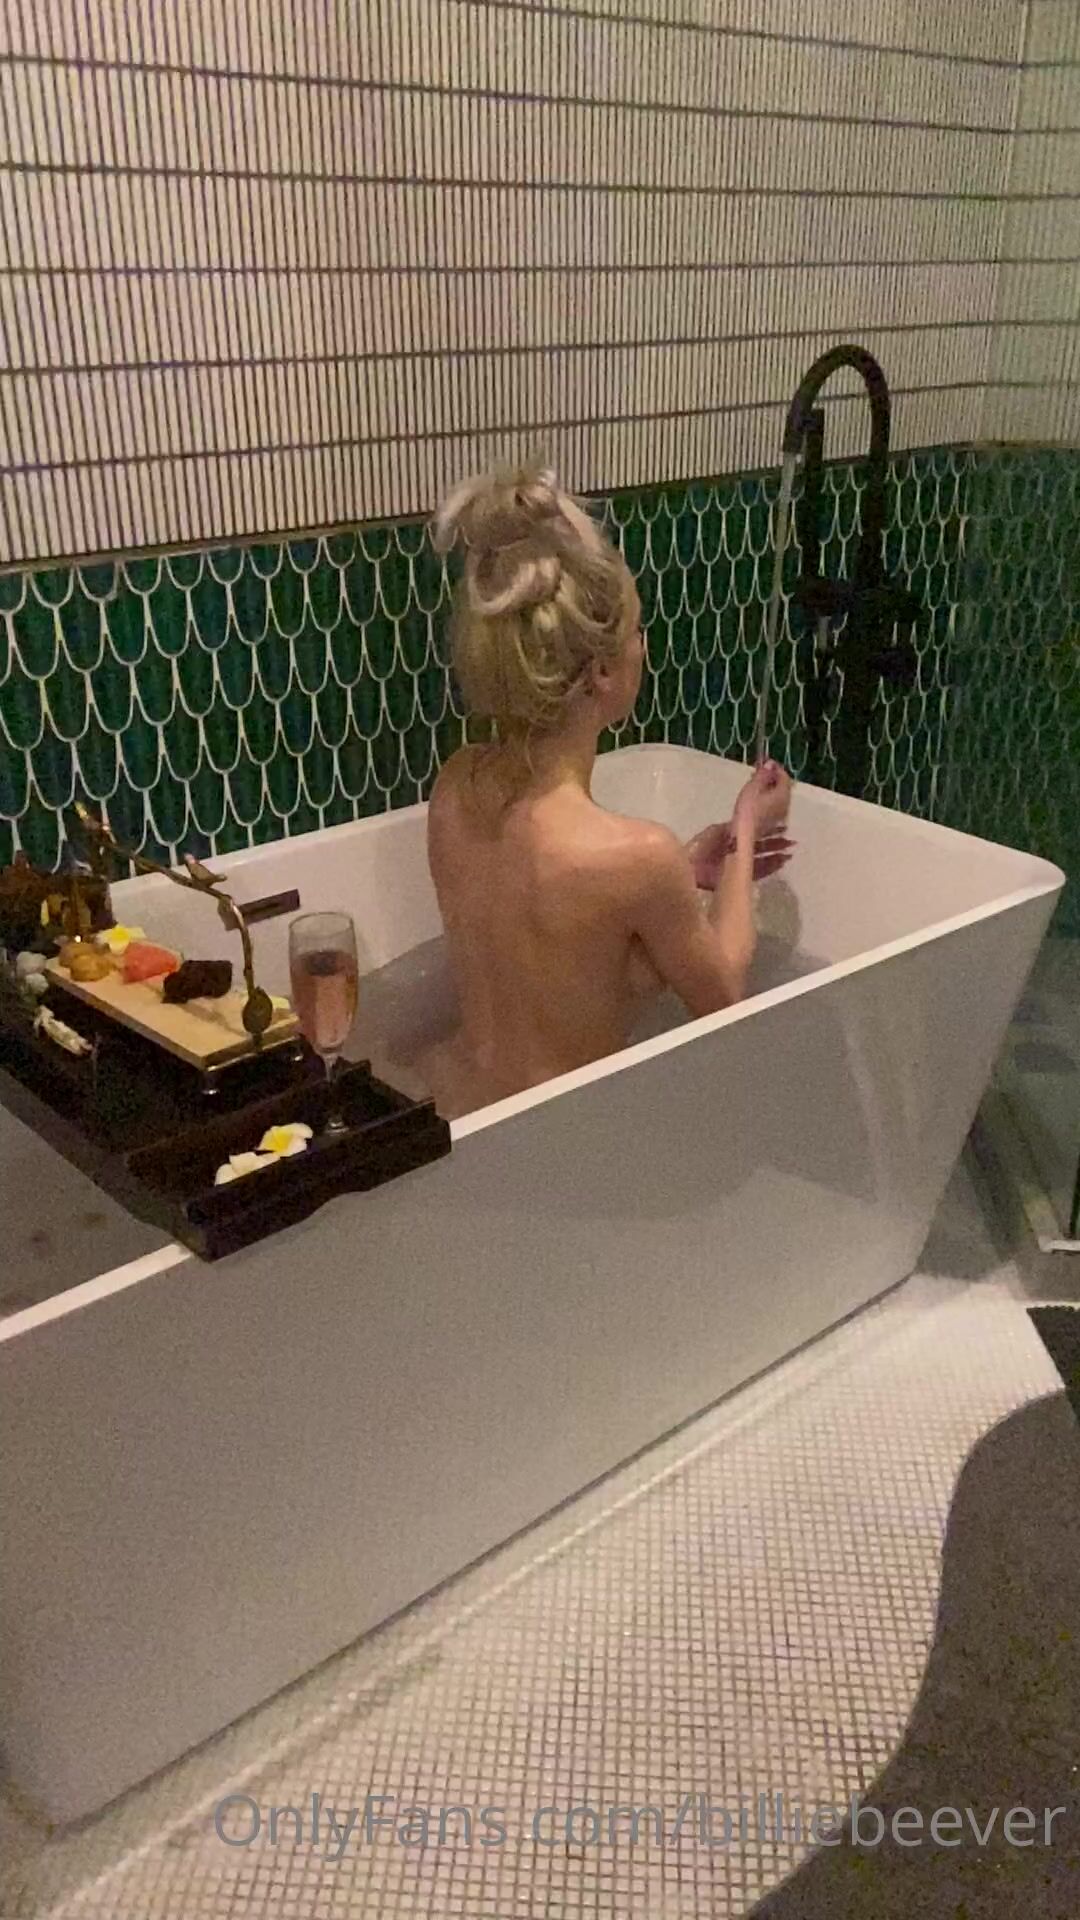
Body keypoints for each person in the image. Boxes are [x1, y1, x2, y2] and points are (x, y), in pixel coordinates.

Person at [422, 461, 793, 1118]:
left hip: (449, 1111)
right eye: (636, 631)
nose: (642, 648)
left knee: (644, 963)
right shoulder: (634, 856)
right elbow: (726, 996)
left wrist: (682, 873)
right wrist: (743, 833)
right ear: (600, 670)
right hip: (561, 1141)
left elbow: (554, 965)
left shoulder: (455, 787)